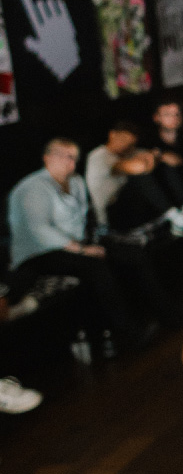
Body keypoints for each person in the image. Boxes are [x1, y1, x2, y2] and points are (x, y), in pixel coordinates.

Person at [7, 137, 149, 352]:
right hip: (39, 255)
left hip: (75, 247)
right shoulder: (32, 187)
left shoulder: (76, 181)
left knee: (131, 253)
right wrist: (83, 250)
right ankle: (128, 334)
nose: (71, 163)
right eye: (65, 157)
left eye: (74, 158)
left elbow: (83, 218)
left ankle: (162, 314)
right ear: (47, 158)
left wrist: (94, 241)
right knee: (95, 268)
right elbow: (40, 231)